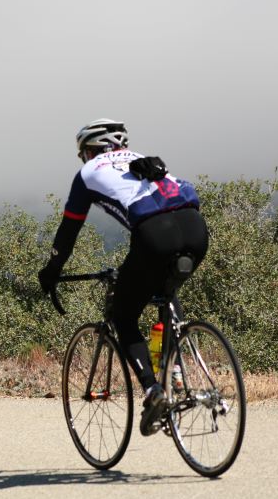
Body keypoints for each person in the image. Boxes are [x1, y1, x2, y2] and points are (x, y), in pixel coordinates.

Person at [38, 118, 209, 436]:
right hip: (196, 229)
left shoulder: (88, 174)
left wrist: (51, 273)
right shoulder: (142, 160)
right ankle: (173, 371)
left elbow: (68, 232)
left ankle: (152, 390)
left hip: (155, 236)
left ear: (90, 150)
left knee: (124, 315)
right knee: (165, 291)